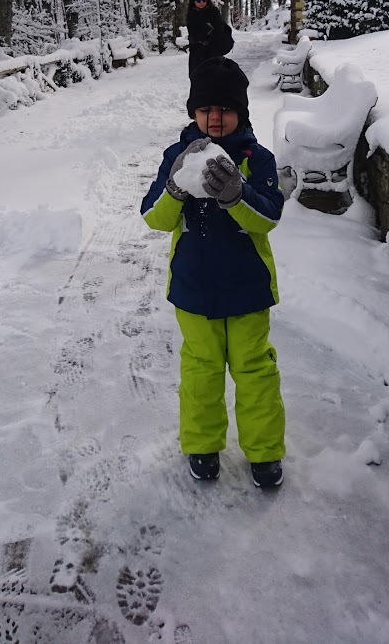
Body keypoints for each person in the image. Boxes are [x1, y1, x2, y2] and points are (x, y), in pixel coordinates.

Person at [140, 56, 286, 489]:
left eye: (225, 109)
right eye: (206, 109)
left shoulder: (256, 159)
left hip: (247, 290)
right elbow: (154, 217)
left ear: (241, 111)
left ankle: (264, 452)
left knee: (255, 370)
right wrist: (175, 189)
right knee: (201, 370)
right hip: (193, 288)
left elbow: (270, 217)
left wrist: (237, 194)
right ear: (193, 112)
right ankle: (201, 445)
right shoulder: (177, 156)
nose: (215, 118)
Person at [185, 0, 225, 77]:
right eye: (198, 0)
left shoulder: (214, 12)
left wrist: (209, 37)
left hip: (213, 51)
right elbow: (193, 34)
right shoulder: (191, 14)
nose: (201, 2)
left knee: (214, 80)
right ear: (194, 1)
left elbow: (219, 31)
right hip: (196, 53)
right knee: (197, 79)